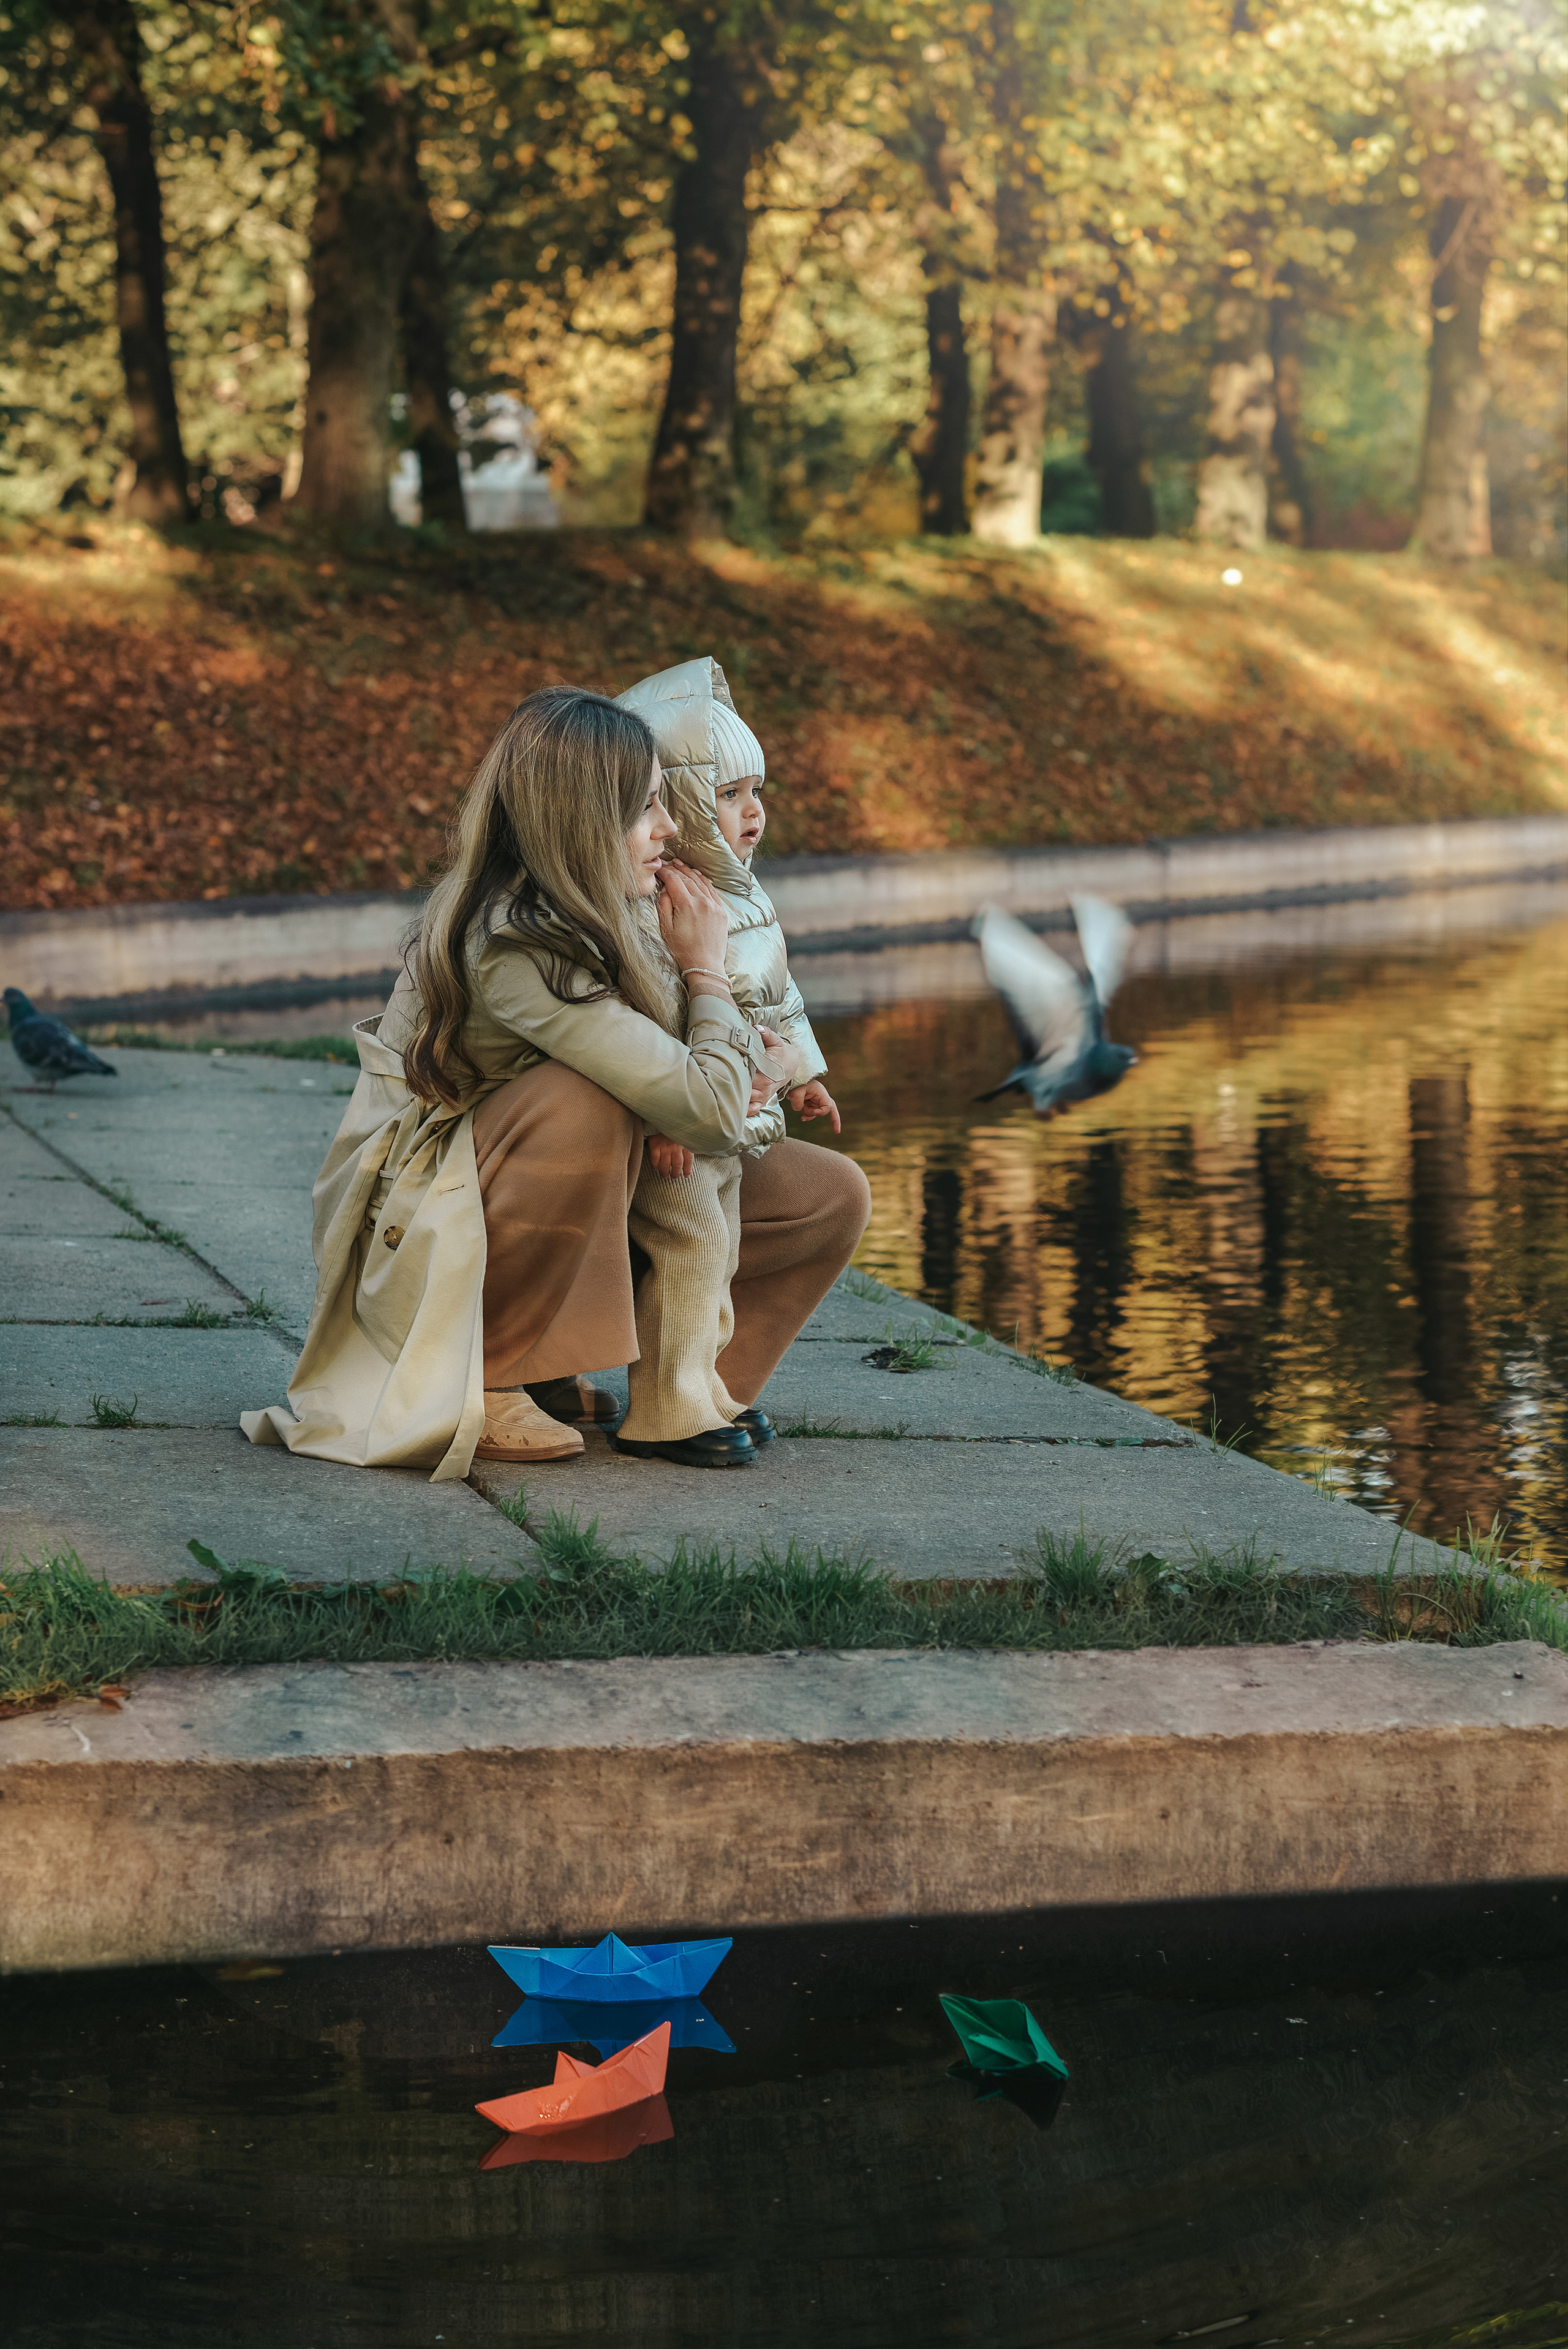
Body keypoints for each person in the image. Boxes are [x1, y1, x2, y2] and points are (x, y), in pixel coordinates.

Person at [241, 685, 870, 1478]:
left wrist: (756, 1058)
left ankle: (694, 1391)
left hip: (540, 1187)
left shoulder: (617, 905)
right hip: (423, 1223)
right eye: (646, 809)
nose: (670, 828)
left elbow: (702, 1075)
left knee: (829, 1196)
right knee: (585, 1105)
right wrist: (706, 970)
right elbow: (703, 1108)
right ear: (580, 823)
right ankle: (489, 1373)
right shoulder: (517, 944)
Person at [609, 656, 843, 1465]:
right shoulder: (661, 899)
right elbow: (648, 1016)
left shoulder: (742, 895)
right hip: (682, 1127)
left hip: (732, 1120)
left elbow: (777, 995)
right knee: (693, 1246)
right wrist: (662, 1117)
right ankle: (664, 1408)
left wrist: (803, 1072)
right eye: (729, 794)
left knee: (721, 1251)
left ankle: (704, 1387)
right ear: (675, 805)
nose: (753, 812)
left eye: (757, 792)